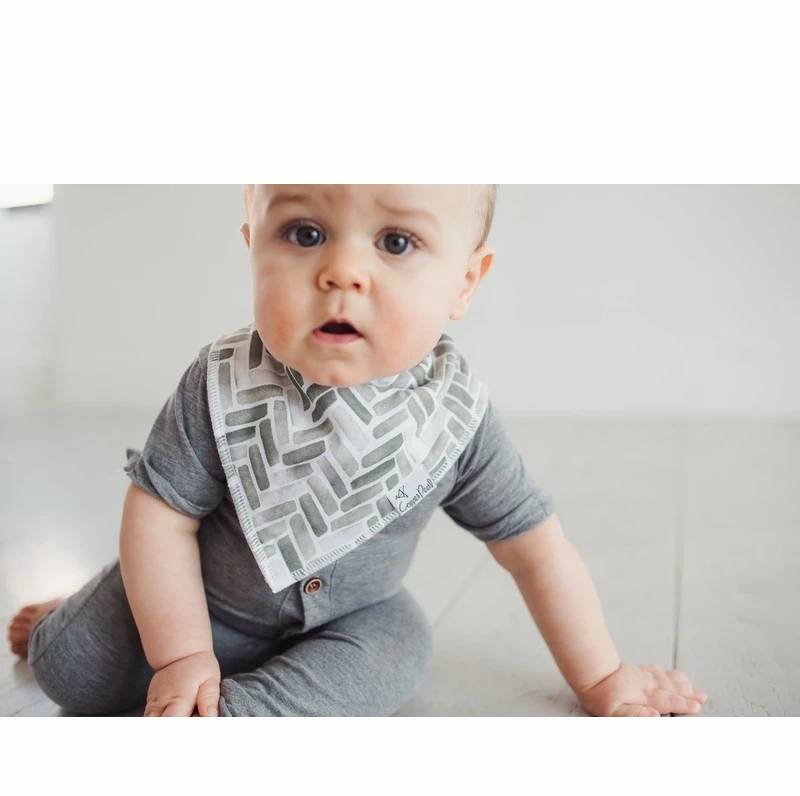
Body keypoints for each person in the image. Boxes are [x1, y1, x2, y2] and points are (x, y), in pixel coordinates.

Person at [7, 184, 708, 717]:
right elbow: (161, 516)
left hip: (353, 615)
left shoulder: (453, 420)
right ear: (253, 245)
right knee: (73, 668)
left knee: (402, 648)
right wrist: (182, 652)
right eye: (305, 233)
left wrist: (603, 676)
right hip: (201, 600)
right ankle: (83, 614)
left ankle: (240, 714)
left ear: (465, 281)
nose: (342, 271)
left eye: (396, 242)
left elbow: (536, 550)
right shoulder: (222, 386)